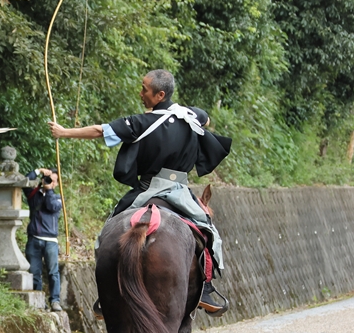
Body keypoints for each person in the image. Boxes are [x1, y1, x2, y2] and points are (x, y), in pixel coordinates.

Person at [48, 69, 232, 314]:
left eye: (145, 89)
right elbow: (205, 120)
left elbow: (99, 130)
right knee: (207, 232)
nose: (140, 93)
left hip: (147, 189)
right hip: (180, 191)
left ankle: (107, 293)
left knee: (108, 231)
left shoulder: (140, 123)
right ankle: (206, 288)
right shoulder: (190, 115)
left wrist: (63, 132)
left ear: (160, 95)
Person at [24, 168, 63, 312]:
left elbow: (51, 206)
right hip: (34, 239)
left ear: (56, 184)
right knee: (35, 272)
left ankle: (55, 301)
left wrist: (49, 190)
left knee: (53, 273)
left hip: (51, 241)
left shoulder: (57, 198)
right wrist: (38, 171)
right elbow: (24, 182)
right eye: (48, 179)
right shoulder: (34, 195)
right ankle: (39, 301)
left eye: (53, 181)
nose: (50, 182)